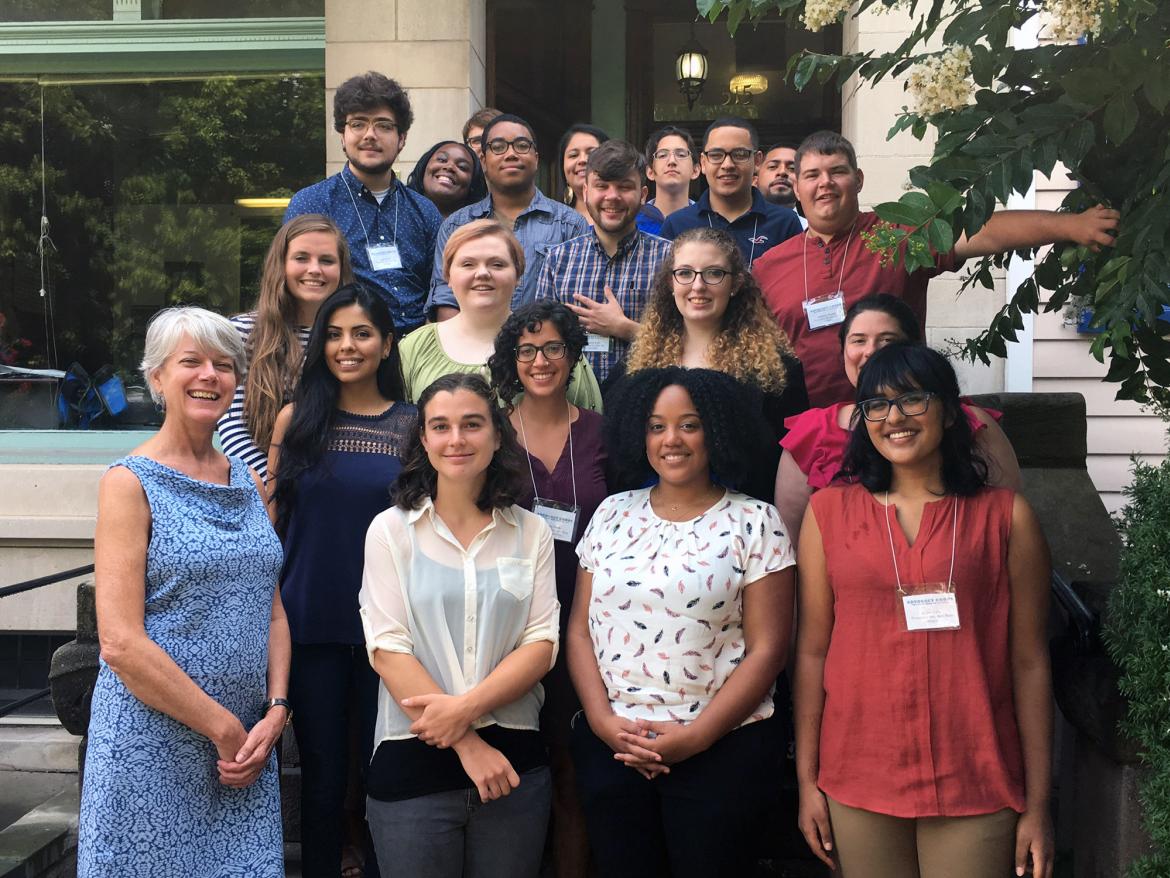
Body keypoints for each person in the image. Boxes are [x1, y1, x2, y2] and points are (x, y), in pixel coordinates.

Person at [794, 342, 1054, 878]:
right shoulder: (827, 514)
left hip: (977, 774)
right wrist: (806, 782)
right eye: (877, 405)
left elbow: (1029, 662)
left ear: (950, 409)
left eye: (912, 399)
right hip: (858, 772)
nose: (895, 418)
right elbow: (813, 653)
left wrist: (1040, 803)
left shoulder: (1006, 517)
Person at [79, 307, 286, 876]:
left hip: (244, 752)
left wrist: (276, 709)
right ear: (156, 378)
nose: (209, 376)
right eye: (190, 362)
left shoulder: (245, 478)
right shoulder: (128, 483)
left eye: (224, 365)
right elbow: (119, 642)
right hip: (153, 746)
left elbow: (271, 610)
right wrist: (223, 728)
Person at [567, 366, 797, 878]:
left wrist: (694, 739)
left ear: (717, 430)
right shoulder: (611, 514)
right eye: (655, 425)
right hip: (615, 750)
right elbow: (580, 630)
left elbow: (768, 650)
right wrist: (603, 725)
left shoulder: (755, 521)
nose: (671, 439)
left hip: (722, 751)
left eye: (689, 424)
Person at [753, 129, 1122, 406]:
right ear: (797, 188)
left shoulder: (897, 236)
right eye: (813, 175)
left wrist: (1073, 226)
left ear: (859, 179)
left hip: (901, 416)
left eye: (837, 171)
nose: (825, 184)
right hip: (812, 426)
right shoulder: (769, 266)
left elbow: (985, 232)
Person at [359, 372, 559, 878]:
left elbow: (541, 644)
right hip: (412, 762)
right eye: (441, 426)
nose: (456, 439)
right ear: (423, 440)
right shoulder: (390, 532)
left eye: (472, 424)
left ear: (497, 435)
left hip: (514, 764)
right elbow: (386, 648)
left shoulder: (530, 531)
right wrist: (468, 743)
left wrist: (465, 708)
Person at [267, 284, 417, 878]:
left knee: (384, 771)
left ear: (385, 344)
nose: (346, 346)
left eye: (361, 334)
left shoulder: (412, 425)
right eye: (333, 333)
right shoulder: (295, 418)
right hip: (310, 622)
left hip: (391, 629)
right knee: (325, 778)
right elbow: (275, 522)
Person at [488, 301, 609, 878]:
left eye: (554, 348)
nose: (541, 361)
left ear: (573, 355)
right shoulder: (489, 435)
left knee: (570, 766)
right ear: (513, 360)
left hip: (589, 625)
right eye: (528, 350)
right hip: (507, 625)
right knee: (510, 760)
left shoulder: (604, 433)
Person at [774, 294, 1020, 540]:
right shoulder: (812, 432)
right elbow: (793, 543)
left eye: (887, 340)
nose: (870, 352)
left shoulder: (968, 420)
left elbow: (1006, 522)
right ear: (843, 352)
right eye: (858, 340)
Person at [616, 227, 809, 503]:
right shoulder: (638, 364)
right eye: (684, 273)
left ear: (736, 283)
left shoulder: (776, 371)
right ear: (670, 283)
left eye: (714, 273)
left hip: (744, 525)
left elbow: (788, 464)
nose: (698, 286)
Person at [285, 71, 442, 334]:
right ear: (342, 136)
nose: (370, 135)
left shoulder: (424, 211)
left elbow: (439, 289)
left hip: (417, 351)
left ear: (401, 139)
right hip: (341, 349)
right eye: (358, 124)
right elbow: (294, 286)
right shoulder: (313, 203)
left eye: (383, 125)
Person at [403, 220, 603, 410]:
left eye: (497, 264)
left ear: (518, 274)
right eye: (468, 264)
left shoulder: (554, 346)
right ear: (447, 276)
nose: (482, 273)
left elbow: (587, 427)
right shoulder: (414, 347)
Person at [218, 214, 353, 482]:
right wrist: (278, 488)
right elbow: (233, 429)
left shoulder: (351, 340)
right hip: (263, 492)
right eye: (301, 258)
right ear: (280, 265)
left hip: (335, 485)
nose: (315, 269)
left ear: (342, 271)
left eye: (326, 260)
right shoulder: (241, 332)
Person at [427, 113, 589, 320]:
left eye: (521, 145)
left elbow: (577, 301)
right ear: (483, 161)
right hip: (474, 348)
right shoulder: (456, 226)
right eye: (498, 146)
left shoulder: (570, 224)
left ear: (536, 159)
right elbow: (445, 298)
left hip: (542, 347)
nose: (511, 154)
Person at [535, 140, 671, 383]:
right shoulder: (558, 260)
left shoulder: (669, 259)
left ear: (643, 195)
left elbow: (687, 342)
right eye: (602, 186)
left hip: (648, 403)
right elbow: (540, 340)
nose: (613, 196)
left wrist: (625, 328)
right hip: (574, 405)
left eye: (624, 187)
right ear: (586, 191)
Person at [659, 116, 802, 267]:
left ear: (758, 161)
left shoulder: (785, 223)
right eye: (716, 155)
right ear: (703, 163)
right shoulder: (677, 224)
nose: (727, 165)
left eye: (739, 154)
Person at [636, 126, 699, 236]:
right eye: (662, 155)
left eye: (681, 155)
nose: (672, 161)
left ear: (695, 170)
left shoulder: (708, 221)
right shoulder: (633, 223)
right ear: (650, 171)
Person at [406, 140, 488, 218]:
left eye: (462, 167)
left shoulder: (482, 224)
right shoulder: (398, 207)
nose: (449, 167)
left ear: (472, 183)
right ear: (424, 167)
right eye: (441, 160)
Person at [558, 123, 610, 225]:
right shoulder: (554, 221)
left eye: (591, 153)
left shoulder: (626, 216)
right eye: (573, 155)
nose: (582, 160)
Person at [757, 142, 804, 225]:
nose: (782, 172)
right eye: (772, 166)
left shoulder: (813, 232)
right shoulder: (739, 226)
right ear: (755, 179)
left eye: (792, 168)